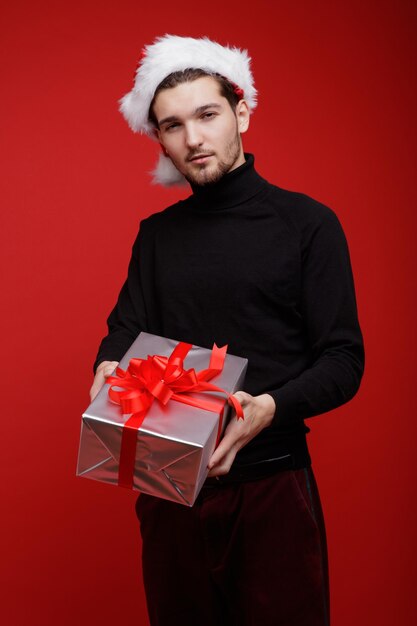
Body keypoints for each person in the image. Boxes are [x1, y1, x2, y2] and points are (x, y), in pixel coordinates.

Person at [90, 35, 364, 626]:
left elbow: (343, 360)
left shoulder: (307, 224)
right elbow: (127, 329)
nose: (193, 139)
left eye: (207, 115)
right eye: (172, 126)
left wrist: (271, 406)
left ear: (241, 112)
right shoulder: (157, 236)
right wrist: (106, 368)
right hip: (169, 490)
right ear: (158, 139)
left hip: (272, 487)